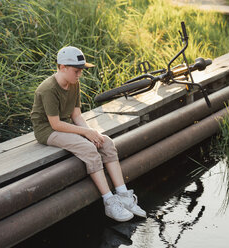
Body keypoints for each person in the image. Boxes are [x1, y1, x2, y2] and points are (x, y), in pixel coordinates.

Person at [31, 46, 146, 222]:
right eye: (77, 71)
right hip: (47, 130)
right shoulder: (48, 89)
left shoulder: (74, 84)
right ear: (63, 67)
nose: (79, 75)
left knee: (105, 142)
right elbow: (55, 123)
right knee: (88, 149)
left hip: (65, 125)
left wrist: (92, 133)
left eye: (81, 71)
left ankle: (123, 195)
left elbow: (76, 115)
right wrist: (86, 133)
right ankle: (109, 201)